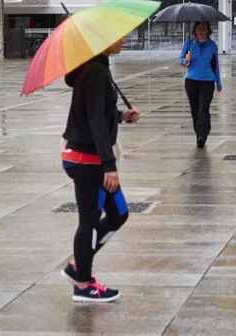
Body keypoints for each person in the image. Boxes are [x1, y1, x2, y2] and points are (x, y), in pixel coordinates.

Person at [60, 38, 140, 303]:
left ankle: (78, 264)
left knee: (119, 213)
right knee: (90, 220)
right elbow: (94, 121)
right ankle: (83, 284)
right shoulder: (94, 71)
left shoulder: (98, 67)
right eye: (120, 36)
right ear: (104, 42)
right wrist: (110, 165)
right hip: (87, 160)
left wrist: (119, 116)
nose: (125, 40)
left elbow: (97, 112)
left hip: (89, 156)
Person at [179, 21, 222, 149]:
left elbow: (215, 65)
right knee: (195, 109)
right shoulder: (189, 43)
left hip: (208, 81)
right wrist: (186, 59)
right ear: (195, 30)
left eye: (204, 28)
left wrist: (218, 82)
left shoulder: (212, 46)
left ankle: (203, 134)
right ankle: (199, 133)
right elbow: (181, 60)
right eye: (199, 28)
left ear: (208, 31)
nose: (202, 31)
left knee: (203, 108)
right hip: (191, 81)